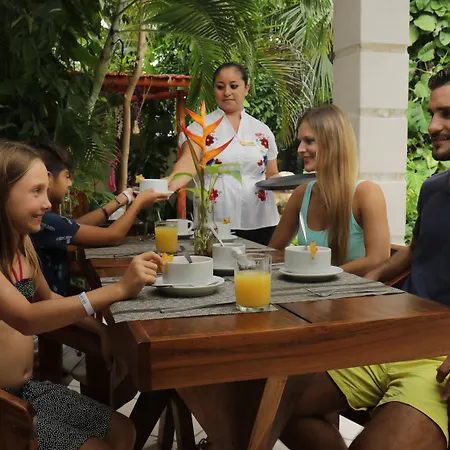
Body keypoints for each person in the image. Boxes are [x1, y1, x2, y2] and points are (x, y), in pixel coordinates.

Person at [281, 69, 450, 450]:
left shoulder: (365, 192)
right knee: (266, 403)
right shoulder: (433, 189)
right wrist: (366, 282)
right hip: (393, 336)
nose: (432, 126)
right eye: (432, 113)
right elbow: (414, 253)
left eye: (447, 114)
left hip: (438, 359)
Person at [0, 140, 164, 449]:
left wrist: (99, 329)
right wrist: (118, 289)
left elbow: (49, 300)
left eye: (45, 191)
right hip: (5, 407)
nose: (47, 203)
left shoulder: (23, 247)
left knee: (123, 432)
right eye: (36, 191)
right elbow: (27, 318)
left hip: (26, 391)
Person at [28, 138, 168, 296]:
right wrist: (139, 202)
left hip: (54, 301)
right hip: (54, 306)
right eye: (66, 176)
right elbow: (112, 236)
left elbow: (73, 226)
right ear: (47, 177)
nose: (70, 183)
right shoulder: (44, 221)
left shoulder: (44, 224)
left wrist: (122, 199)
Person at [167, 62, 281, 246]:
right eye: (220, 87)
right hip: (215, 220)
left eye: (234, 86)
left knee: (259, 263)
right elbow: (186, 166)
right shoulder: (200, 127)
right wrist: (163, 186)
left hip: (261, 219)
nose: (227, 92)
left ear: (246, 88)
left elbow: (272, 174)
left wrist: (287, 185)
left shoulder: (263, 131)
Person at [269, 104, 390, 276]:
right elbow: (273, 252)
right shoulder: (302, 194)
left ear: (333, 143)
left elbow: (379, 258)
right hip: (310, 288)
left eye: (309, 141)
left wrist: (323, 273)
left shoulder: (367, 194)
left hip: (353, 291)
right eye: (300, 141)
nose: (300, 149)